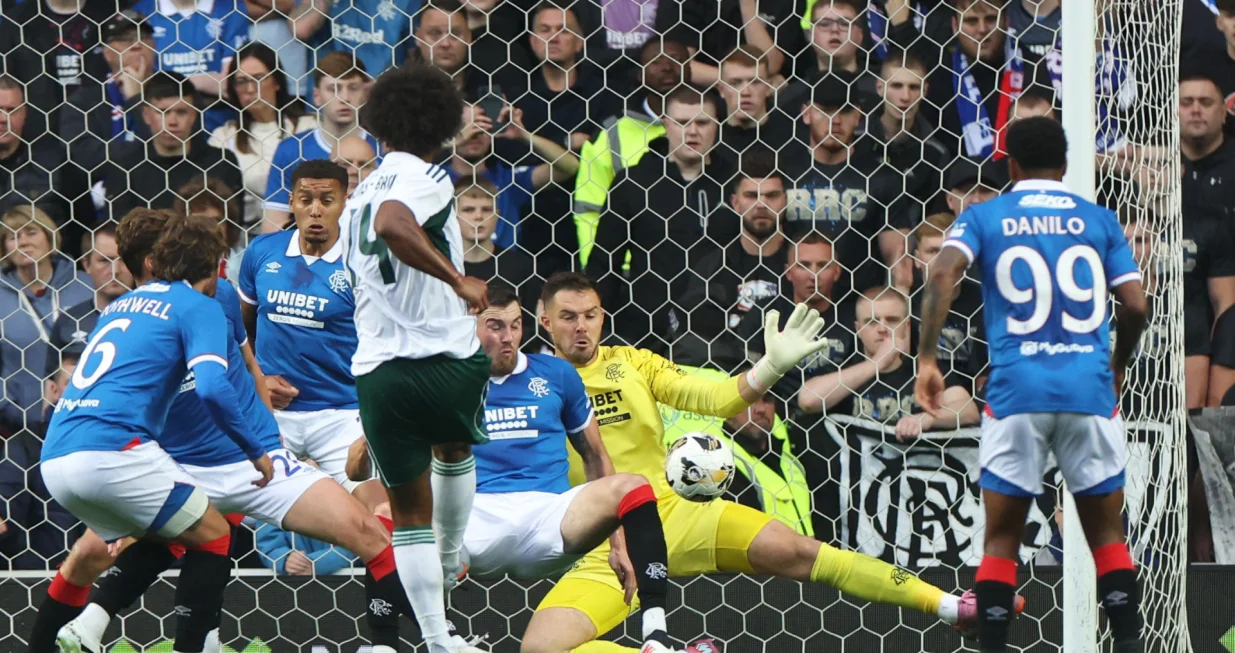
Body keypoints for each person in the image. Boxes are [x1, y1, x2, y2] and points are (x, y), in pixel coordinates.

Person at [520, 271, 1003, 653]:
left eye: (590, 315)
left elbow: (715, 397)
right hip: (609, 544)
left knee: (804, 552)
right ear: (545, 321)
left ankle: (950, 605)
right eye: (567, 317)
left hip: (678, 513)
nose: (581, 327)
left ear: (603, 316)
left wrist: (769, 368)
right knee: (541, 647)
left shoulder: (636, 363)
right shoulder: (529, 386)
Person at [50, 207, 432, 653]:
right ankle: (142, 634)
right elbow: (206, 387)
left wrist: (267, 434)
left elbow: (248, 365)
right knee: (131, 547)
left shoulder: (195, 303)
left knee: (367, 533)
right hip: (172, 464)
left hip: (244, 462)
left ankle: (399, 644)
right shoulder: (178, 308)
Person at [915, 116, 1149, 652]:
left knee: (1001, 536)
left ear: (1011, 166)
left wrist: (928, 357)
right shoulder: (1099, 220)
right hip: (1088, 391)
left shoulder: (986, 216)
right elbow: (1135, 304)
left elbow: (942, 273)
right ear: (1065, 166)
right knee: (1108, 539)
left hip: (1015, 391)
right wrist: (1115, 365)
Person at [347, 284, 680, 652]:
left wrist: (617, 544)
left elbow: (595, 457)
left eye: (516, 325)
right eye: (495, 326)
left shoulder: (556, 374)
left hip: (550, 517)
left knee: (632, 485)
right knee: (382, 520)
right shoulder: (437, 382)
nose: (509, 338)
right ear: (467, 325)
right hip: (470, 521)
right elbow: (366, 472)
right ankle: (384, 645)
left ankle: (656, 636)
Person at [39, 212, 271, 653]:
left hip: (60, 452)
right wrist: (257, 449)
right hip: (126, 452)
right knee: (212, 533)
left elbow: (247, 365)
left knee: (156, 538)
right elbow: (212, 386)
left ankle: (94, 625)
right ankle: (193, 643)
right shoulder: (198, 303)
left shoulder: (117, 308)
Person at [340, 63, 491, 653]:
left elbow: (370, 236)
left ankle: (437, 639)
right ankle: (453, 554)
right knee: (454, 451)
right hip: (442, 356)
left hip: (377, 369)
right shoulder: (427, 176)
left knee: (406, 516)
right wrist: (459, 279)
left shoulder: (360, 191)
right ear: (443, 121)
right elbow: (395, 224)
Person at [239, 160, 385, 510]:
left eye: (327, 200)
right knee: (209, 506)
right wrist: (258, 380)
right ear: (291, 202)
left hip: (341, 414)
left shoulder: (361, 263)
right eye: (306, 200)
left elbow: (382, 345)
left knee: (381, 513)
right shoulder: (262, 252)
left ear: (345, 202)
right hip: (271, 413)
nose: (316, 211)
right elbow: (239, 333)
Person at [586, 88, 738, 351]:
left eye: (702, 122)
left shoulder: (735, 182)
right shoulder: (633, 183)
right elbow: (604, 262)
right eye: (681, 122)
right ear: (665, 125)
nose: (692, 131)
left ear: (717, 126)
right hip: (647, 335)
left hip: (724, 333)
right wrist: (594, 327)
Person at [785, 72, 912, 297]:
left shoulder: (881, 177)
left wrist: (897, 298)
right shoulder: (783, 172)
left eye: (844, 111)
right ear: (806, 113)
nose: (835, 120)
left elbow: (897, 257)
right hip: (793, 304)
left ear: (858, 117)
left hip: (858, 309)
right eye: (824, 110)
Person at [797, 286, 979, 441]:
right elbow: (807, 400)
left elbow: (968, 410)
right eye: (872, 322)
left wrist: (927, 419)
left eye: (892, 320)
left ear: (906, 326)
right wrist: (876, 364)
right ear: (858, 330)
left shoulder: (927, 370)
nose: (882, 328)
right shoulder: (843, 371)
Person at [574, 36, 691, 267]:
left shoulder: (713, 128)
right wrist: (598, 273)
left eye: (677, 59)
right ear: (639, 73)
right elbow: (589, 208)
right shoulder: (611, 134)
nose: (667, 67)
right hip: (631, 270)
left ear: (690, 69)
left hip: (702, 269)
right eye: (656, 61)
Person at [673, 150, 788, 372]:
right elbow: (695, 342)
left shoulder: (802, 265)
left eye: (771, 196)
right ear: (735, 203)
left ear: (785, 201)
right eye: (751, 196)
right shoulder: (710, 268)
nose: (761, 204)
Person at [96, 71, 245, 223]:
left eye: (181, 112)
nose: (172, 121)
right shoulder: (124, 166)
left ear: (194, 115)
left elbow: (232, 227)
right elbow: (118, 231)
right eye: (163, 112)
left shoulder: (221, 162)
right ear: (146, 115)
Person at [0, 205, 94, 435]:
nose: (22, 242)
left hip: (90, 415)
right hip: (22, 426)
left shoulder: (85, 285)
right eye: (13, 237)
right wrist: (12, 411)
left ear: (50, 236)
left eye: (31, 232)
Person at [447, 97, 579, 249]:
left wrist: (524, 135)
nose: (473, 133)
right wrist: (447, 141)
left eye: (482, 124)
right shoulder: (433, 177)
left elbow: (569, 167)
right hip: (450, 268)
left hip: (506, 268)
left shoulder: (509, 179)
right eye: (463, 126)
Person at [264, 52, 373, 232]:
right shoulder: (290, 151)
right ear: (316, 96)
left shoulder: (382, 149)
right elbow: (273, 227)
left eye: (353, 88)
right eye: (334, 89)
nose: (345, 98)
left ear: (364, 94)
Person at [210, 42, 317, 227]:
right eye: (242, 81)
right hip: (248, 240)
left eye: (259, 78)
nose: (251, 89)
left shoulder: (309, 127)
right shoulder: (223, 138)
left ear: (276, 82)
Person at [1178, 71, 1235, 408]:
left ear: (1224, 112)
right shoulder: (1155, 168)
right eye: (1187, 102)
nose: (1196, 110)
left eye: (1205, 102)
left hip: (1227, 302)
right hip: (1176, 306)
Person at [0, 356, 85, 571]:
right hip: (41, 579)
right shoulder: (27, 445)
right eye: (74, 383)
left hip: (115, 581)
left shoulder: (127, 445)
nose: (84, 391)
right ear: (54, 390)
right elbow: (6, 504)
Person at [129, 0, 251, 133]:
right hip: (161, 128)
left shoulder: (230, 9)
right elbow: (136, 83)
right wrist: (207, 81)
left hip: (220, 125)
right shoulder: (141, 13)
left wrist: (168, 86)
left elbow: (230, 84)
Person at [59, 9, 156, 174]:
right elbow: (84, 155)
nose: (137, 45)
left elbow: (174, 145)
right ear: (107, 52)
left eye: (144, 37)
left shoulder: (175, 90)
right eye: (126, 39)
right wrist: (140, 150)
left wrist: (135, 99)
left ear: (154, 45)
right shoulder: (83, 102)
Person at [47, 225, 134, 378]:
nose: (115, 270)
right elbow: (51, 390)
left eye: (124, 260)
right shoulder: (68, 322)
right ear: (86, 265)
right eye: (104, 261)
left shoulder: (155, 317)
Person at [455, 176, 538, 313]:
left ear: (497, 215)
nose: (478, 216)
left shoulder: (520, 266)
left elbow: (531, 324)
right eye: (468, 210)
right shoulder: (442, 267)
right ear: (453, 216)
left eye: (486, 210)